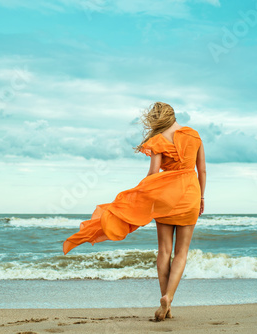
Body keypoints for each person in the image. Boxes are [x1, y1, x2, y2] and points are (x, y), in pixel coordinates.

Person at [63, 102, 206, 321]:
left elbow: (152, 174)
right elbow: (202, 169)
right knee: (181, 253)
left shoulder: (157, 140)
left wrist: (139, 197)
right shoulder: (195, 136)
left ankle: (164, 300)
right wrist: (202, 196)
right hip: (190, 195)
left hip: (165, 198)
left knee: (164, 251)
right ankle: (169, 297)